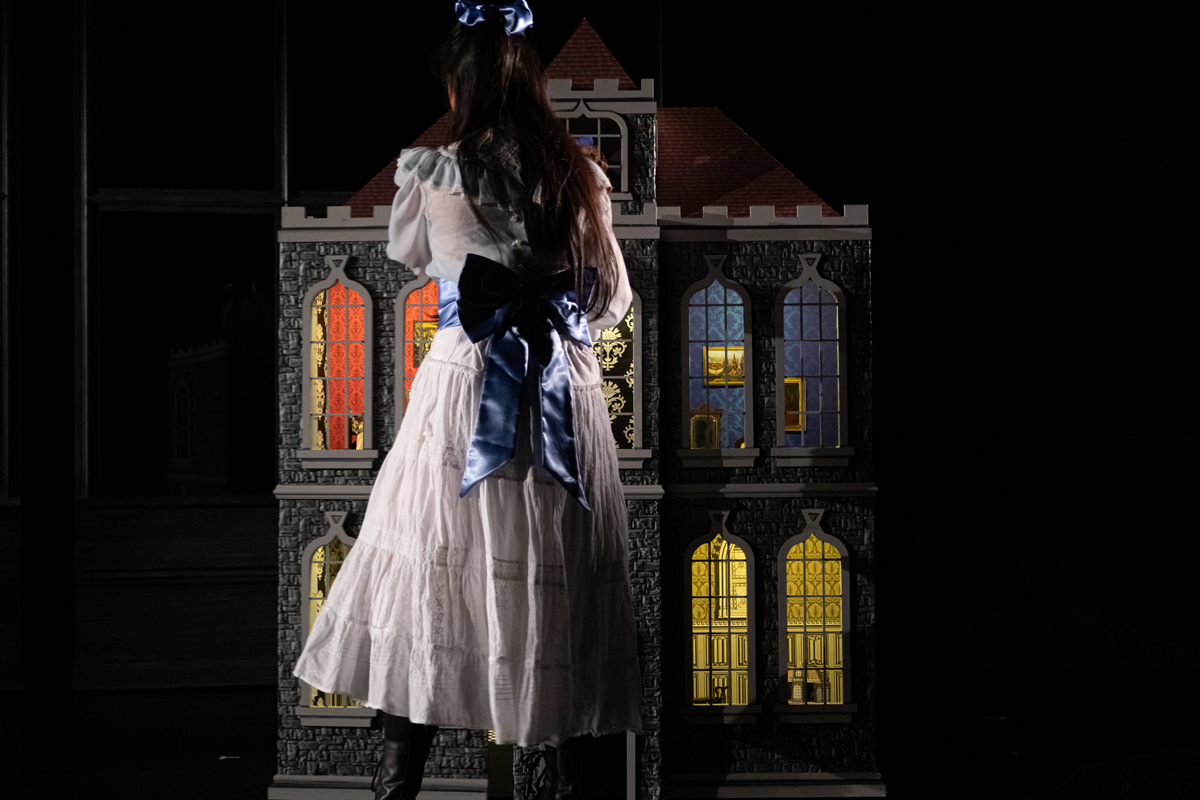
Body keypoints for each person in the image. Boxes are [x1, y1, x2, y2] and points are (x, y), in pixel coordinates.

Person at [291, 2, 643, 798]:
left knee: (430, 575)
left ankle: (397, 778)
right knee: (559, 581)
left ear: (460, 87)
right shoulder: (578, 177)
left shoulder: (436, 173)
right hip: (557, 385)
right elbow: (612, 298)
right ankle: (567, 766)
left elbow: (415, 256)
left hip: (467, 382)